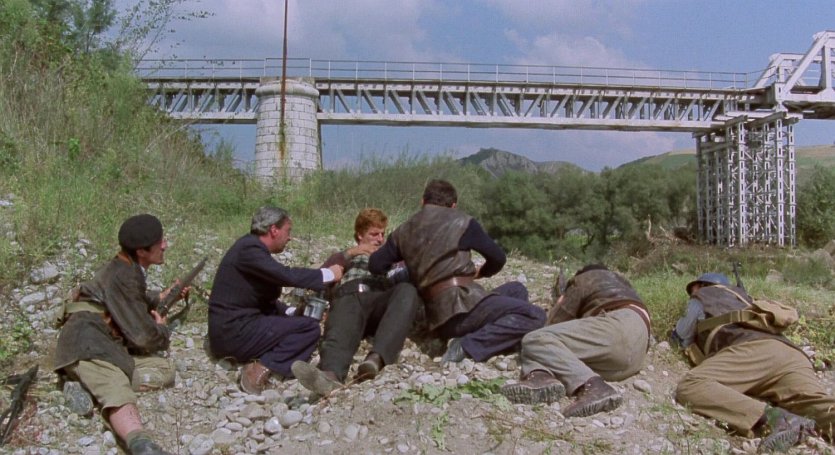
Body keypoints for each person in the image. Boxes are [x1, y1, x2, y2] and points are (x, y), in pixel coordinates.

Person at [368, 179, 545, 364]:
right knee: (535, 315)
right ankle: (467, 346)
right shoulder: (462, 221)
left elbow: (376, 265)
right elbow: (498, 258)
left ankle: (494, 336)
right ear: (453, 206)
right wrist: (481, 272)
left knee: (517, 289)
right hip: (461, 311)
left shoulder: (402, 231)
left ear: (423, 201)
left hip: (436, 315)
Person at [52, 214, 186, 455]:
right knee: (117, 388)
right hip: (87, 344)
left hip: (98, 340)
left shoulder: (123, 266)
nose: (165, 245)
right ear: (142, 251)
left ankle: (86, 383)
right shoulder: (126, 276)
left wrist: (163, 297)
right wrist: (162, 329)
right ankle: (141, 444)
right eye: (160, 242)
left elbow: (131, 298)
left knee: (164, 370)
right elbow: (144, 338)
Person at [672, 272, 833, 452]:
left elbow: (682, 335)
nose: (691, 292)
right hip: (791, 354)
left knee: (691, 385)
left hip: (752, 351)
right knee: (815, 402)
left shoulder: (702, 296)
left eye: (693, 288)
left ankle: (779, 420)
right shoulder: (744, 298)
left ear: (701, 285)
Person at [207, 206, 344, 394]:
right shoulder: (249, 250)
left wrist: (291, 312)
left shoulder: (249, 248)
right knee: (309, 329)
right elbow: (285, 275)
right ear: (274, 230)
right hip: (232, 333)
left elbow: (261, 299)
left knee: (301, 323)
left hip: (231, 331)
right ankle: (260, 369)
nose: (290, 237)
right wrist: (328, 274)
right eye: (288, 231)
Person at [291, 208, 421, 395]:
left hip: (379, 300)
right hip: (350, 298)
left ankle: (376, 359)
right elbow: (322, 274)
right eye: (374, 234)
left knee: (407, 290)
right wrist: (353, 252)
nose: (380, 239)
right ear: (360, 234)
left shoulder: (390, 257)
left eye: (382, 234)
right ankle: (330, 376)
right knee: (340, 330)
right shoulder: (345, 256)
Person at [501, 264, 651, 418]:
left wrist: (561, 301)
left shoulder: (585, 278)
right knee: (564, 354)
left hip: (618, 328)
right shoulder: (624, 285)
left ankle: (594, 386)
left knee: (535, 339)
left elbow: (555, 323)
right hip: (635, 354)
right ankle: (541, 377)